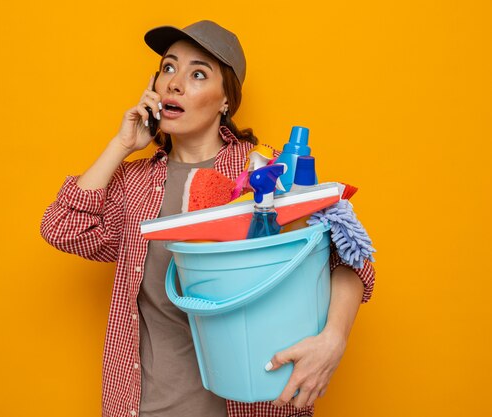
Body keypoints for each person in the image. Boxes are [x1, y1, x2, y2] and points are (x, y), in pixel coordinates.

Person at [40, 20, 375, 417]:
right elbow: (62, 228)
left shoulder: (263, 172)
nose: (174, 84)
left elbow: (351, 257)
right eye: (168, 68)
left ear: (225, 101)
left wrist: (333, 340)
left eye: (198, 74)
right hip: (144, 406)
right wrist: (121, 146)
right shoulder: (134, 183)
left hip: (250, 406)